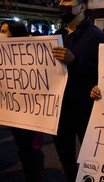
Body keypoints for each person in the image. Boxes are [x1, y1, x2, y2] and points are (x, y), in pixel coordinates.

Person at [51, 0, 104, 181]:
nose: (62, 4)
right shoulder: (58, 35)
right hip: (60, 110)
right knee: (65, 156)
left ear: (82, 7)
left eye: (68, 1)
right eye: (61, 1)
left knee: (90, 159)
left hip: (85, 110)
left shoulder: (98, 37)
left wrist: (74, 62)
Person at [0, 20, 45, 182]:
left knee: (33, 146)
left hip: (33, 109)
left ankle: (36, 173)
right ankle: (29, 173)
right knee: (22, 146)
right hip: (13, 110)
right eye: (1, 31)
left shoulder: (33, 54)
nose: (2, 34)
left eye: (5, 31)